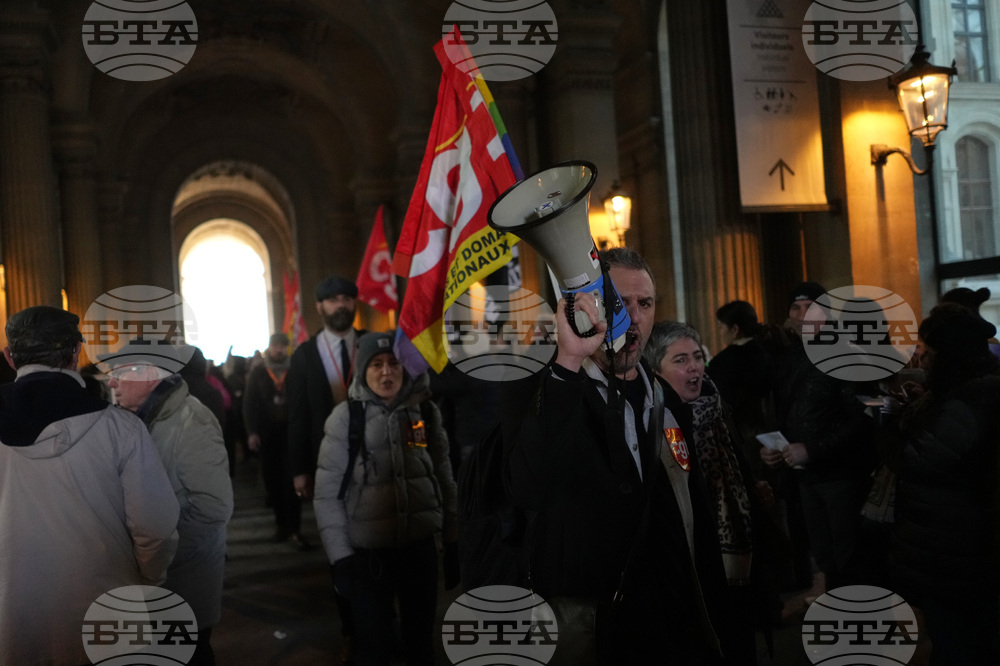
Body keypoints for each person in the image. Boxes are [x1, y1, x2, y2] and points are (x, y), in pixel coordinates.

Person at [503, 247, 728, 664]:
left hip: (672, 623)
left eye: (644, 303)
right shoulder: (543, 390)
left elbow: (694, 517)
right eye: (619, 303)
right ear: (588, 309)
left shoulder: (666, 399)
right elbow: (529, 487)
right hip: (595, 631)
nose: (634, 316)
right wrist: (569, 361)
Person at [0, 306, 179, 665]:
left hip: (12, 610)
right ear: (74, 353)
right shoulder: (121, 429)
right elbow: (155, 526)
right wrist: (147, 577)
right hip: (106, 603)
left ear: (8, 356)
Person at [314, 332, 459, 666]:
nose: (386, 372)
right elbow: (327, 495)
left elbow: (443, 475)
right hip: (368, 558)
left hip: (419, 550)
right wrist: (341, 559)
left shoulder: (424, 410)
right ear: (363, 370)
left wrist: (453, 540)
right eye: (376, 364)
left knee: (420, 645)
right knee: (375, 647)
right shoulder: (345, 419)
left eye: (394, 363)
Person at [879, 305, 1000, 664]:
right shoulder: (975, 391)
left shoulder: (966, 402)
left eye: (930, 354)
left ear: (952, 356)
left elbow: (912, 460)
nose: (923, 360)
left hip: (953, 547)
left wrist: (886, 418)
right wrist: (926, 406)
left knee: (956, 641)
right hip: (964, 545)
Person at [644, 320, 767, 665]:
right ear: (656, 370)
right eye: (680, 360)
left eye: (697, 356)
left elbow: (736, 469)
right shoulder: (655, 422)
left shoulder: (715, 404)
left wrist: (752, 491)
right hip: (694, 567)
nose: (695, 366)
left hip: (735, 563)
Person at [106, 341, 234, 666]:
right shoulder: (134, 419)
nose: (111, 382)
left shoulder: (193, 422)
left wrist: (154, 556)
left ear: (150, 375)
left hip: (183, 582)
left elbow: (212, 508)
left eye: (120, 373)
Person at [760, 281, 877, 592]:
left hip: (842, 477)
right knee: (825, 558)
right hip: (805, 477)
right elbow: (788, 413)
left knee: (850, 558)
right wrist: (776, 448)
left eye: (810, 307)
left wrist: (813, 449)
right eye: (795, 308)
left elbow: (865, 419)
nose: (802, 315)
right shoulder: (789, 358)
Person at [285, 275, 364, 656]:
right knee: (341, 545)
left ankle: (380, 619)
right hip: (327, 464)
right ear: (319, 307)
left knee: (377, 542)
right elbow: (297, 416)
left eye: (347, 298)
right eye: (332, 300)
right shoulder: (304, 355)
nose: (341, 305)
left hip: (373, 460)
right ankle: (352, 623)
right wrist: (300, 468)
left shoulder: (371, 344)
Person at [244, 332, 309, 549]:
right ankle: (281, 525)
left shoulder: (295, 370)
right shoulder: (259, 372)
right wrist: (252, 431)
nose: (279, 350)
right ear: (270, 347)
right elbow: (249, 403)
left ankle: (295, 529)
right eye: (276, 346)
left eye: (283, 346)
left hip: (292, 433)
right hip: (267, 435)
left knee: (293, 481)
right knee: (273, 482)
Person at [709, 300, 776, 462]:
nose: (719, 332)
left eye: (721, 327)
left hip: (739, 437)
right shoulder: (771, 351)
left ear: (734, 330)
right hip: (773, 437)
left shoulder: (724, 362)